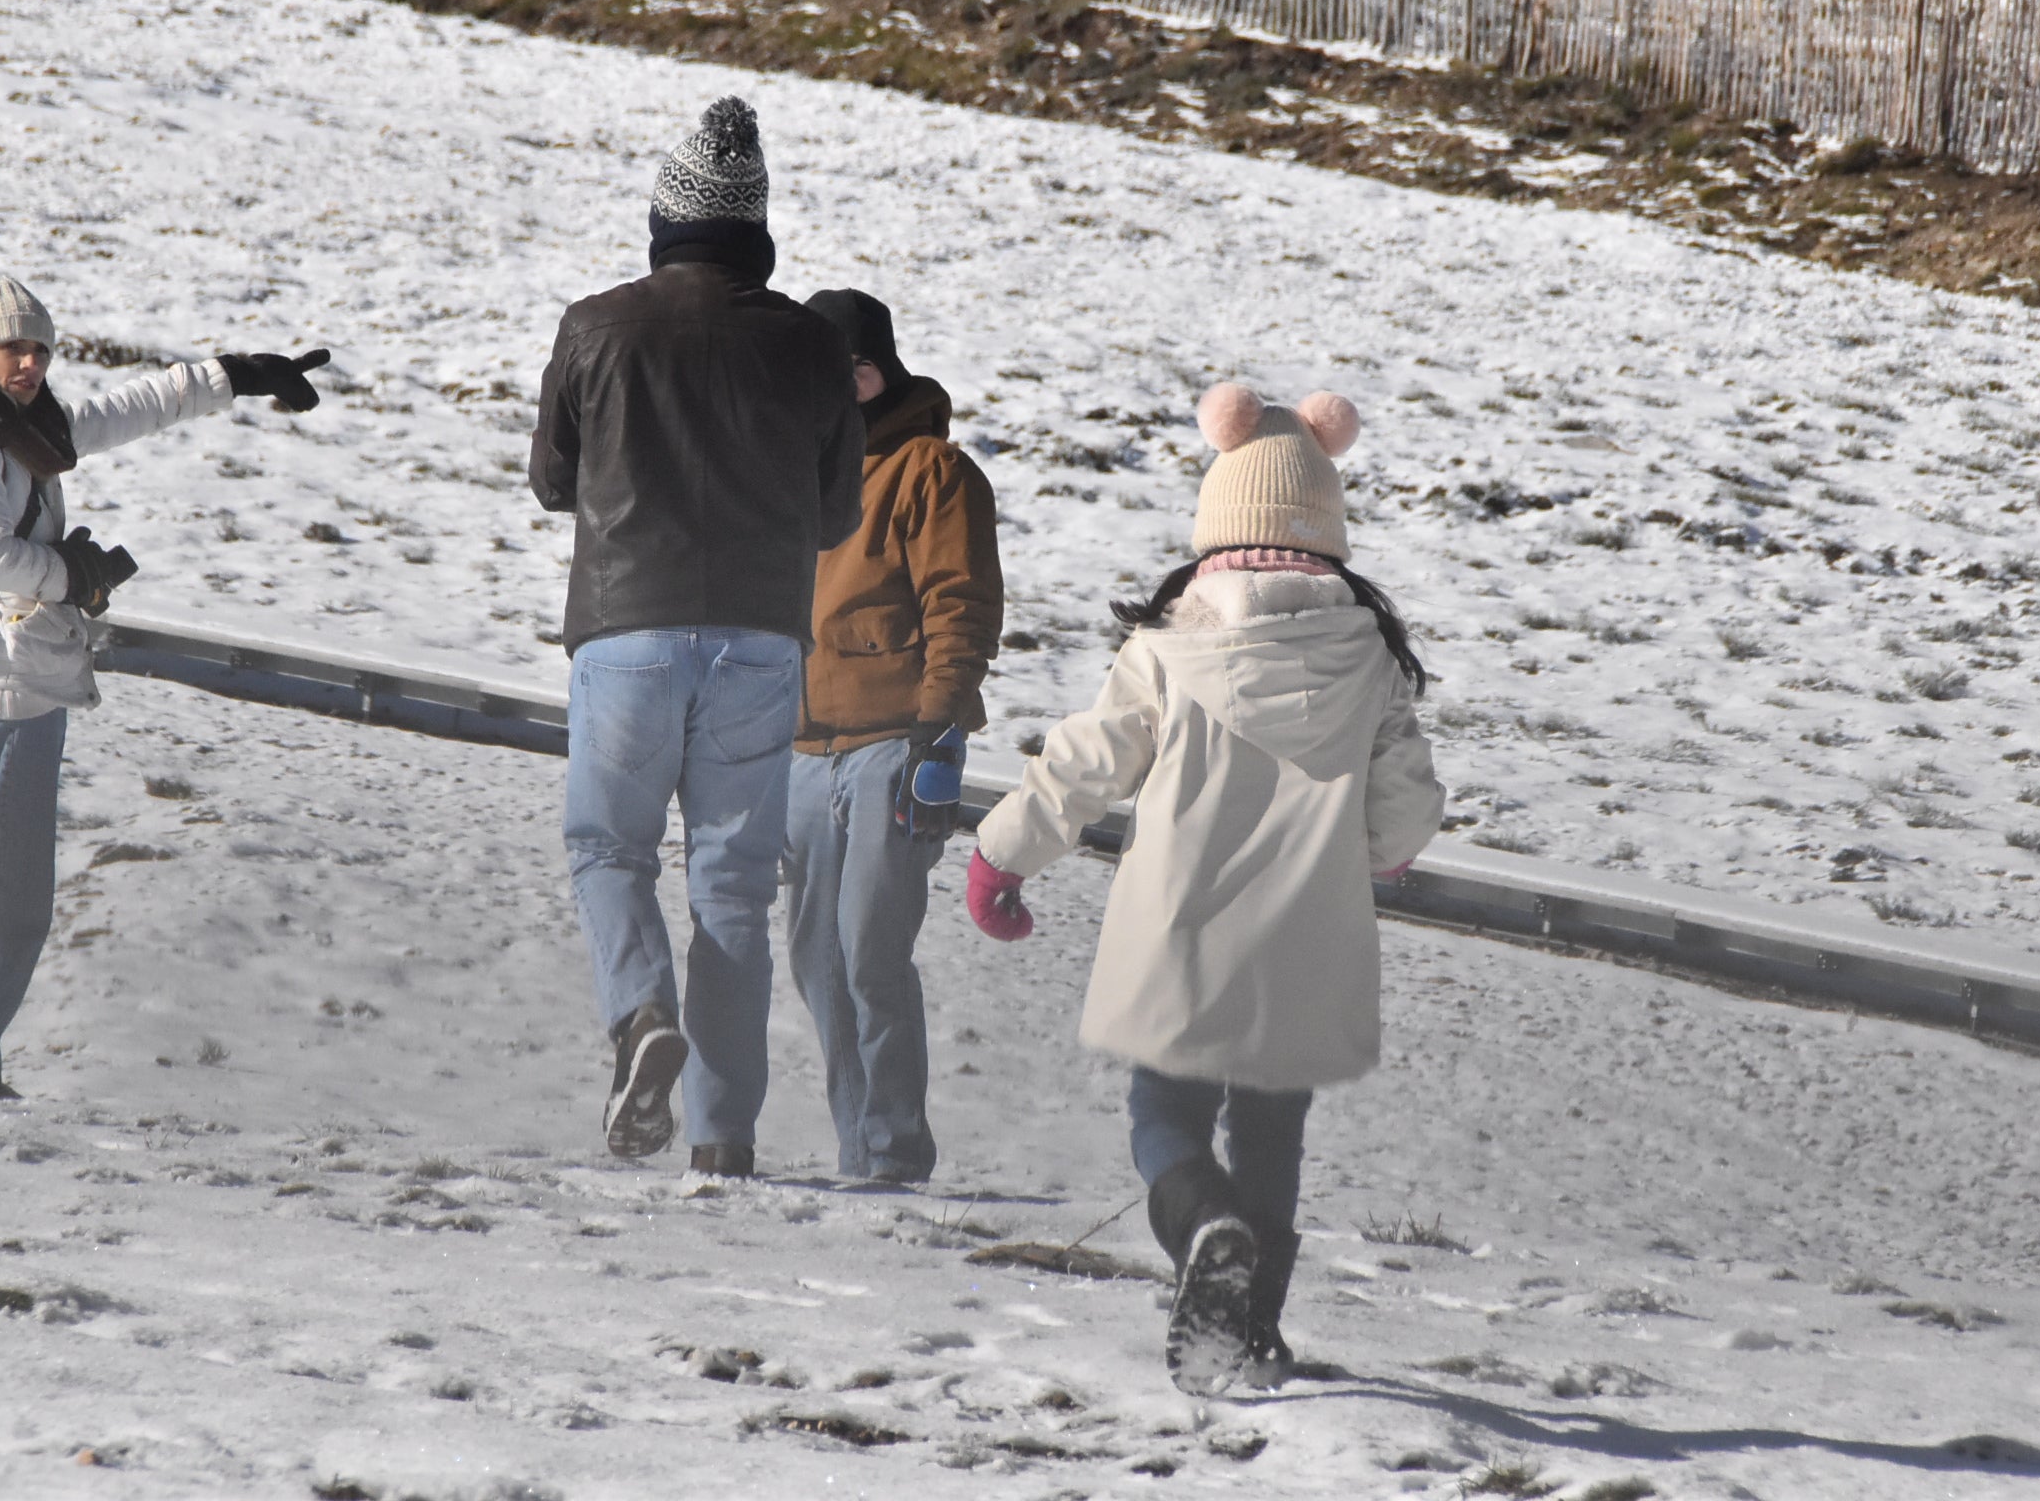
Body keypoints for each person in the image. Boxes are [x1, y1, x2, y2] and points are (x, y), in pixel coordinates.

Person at [966, 383, 1444, 1394]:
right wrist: (1380, 855)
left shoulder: (1170, 642)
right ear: (1326, 528)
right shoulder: (1368, 655)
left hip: (1178, 928)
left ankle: (1199, 1221)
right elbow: (1402, 804)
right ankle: (1252, 1325)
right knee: (1272, 1130)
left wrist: (1003, 852)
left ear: (1216, 518)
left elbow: (1087, 761)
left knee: (1164, 1116)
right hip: (1309, 936)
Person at [0, 272, 332, 1099]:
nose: (29, 361)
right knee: (7, 890)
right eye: (13, 346)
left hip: (10, 669)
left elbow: (128, 410)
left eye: (40, 348)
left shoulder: (17, 426)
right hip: (3, 679)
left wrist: (237, 374)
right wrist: (71, 574)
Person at [530, 96, 863, 1177]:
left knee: (608, 847)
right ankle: (724, 1138)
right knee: (732, 886)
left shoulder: (596, 324)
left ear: (665, 220)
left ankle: (640, 1018)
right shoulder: (814, 345)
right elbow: (837, 514)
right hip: (761, 641)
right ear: (755, 230)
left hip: (626, 628)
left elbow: (551, 480)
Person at [783, 290, 1002, 1186]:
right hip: (798, 745)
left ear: (886, 366)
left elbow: (963, 602)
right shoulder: (793, 467)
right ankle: (858, 1147)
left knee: (871, 948)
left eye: (859, 366)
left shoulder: (933, 470)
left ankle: (893, 1150)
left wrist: (937, 728)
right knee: (815, 959)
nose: (845, 385)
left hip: (890, 742)